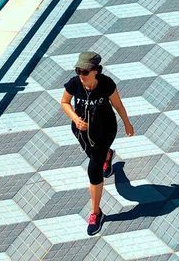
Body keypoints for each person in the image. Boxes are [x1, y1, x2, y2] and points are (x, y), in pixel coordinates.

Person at [60, 51, 135, 237]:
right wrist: (76, 119)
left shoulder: (106, 83)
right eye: (78, 70)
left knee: (93, 169)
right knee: (96, 159)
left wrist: (127, 122)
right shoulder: (74, 83)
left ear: (95, 71)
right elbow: (64, 102)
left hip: (105, 130)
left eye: (84, 71)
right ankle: (107, 156)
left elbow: (118, 105)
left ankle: (96, 213)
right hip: (82, 132)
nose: (81, 75)